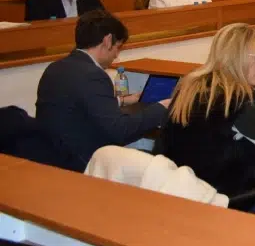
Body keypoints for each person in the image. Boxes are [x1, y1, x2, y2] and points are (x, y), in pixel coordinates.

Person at [155, 23, 255, 195]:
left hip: (178, 186)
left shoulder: (192, 86)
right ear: (239, 58)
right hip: (218, 193)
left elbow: (214, 129)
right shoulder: (234, 99)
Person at [35, 10, 169, 171]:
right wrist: (162, 107)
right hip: (82, 163)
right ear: (107, 41)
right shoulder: (93, 75)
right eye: (117, 48)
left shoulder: (56, 67)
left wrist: (122, 100)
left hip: (52, 158)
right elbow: (121, 131)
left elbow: (80, 105)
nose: (116, 56)